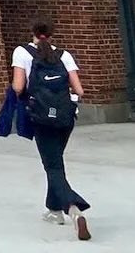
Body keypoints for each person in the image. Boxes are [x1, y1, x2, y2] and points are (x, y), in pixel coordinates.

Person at [11, 20, 90, 241]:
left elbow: (18, 87)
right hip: (66, 118)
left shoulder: (22, 52)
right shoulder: (64, 55)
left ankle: (74, 208)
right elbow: (79, 89)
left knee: (52, 164)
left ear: (33, 33)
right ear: (51, 35)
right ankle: (53, 210)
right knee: (55, 161)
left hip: (41, 117)